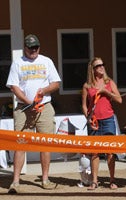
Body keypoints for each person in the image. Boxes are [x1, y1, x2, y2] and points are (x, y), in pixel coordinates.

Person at [6, 34, 61, 193]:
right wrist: (28, 102)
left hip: (44, 107)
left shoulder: (46, 61)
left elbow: (56, 83)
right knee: (20, 144)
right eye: (31, 48)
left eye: (36, 47)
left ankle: (45, 179)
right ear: (25, 48)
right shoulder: (18, 63)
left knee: (45, 144)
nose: (34, 50)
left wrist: (44, 90)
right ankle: (15, 181)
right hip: (23, 109)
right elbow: (14, 86)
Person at [81, 57, 122, 190]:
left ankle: (112, 180)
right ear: (92, 70)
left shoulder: (109, 82)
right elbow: (84, 106)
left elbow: (119, 100)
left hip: (108, 119)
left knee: (110, 152)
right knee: (94, 152)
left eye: (102, 65)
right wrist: (89, 118)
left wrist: (106, 92)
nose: (101, 67)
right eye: (98, 66)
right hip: (94, 122)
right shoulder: (87, 86)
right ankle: (94, 181)